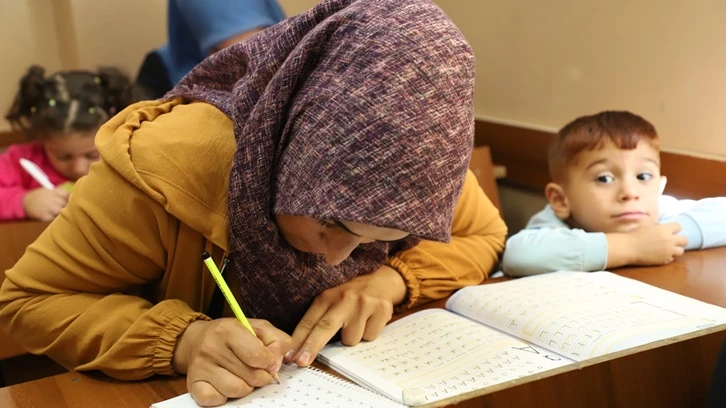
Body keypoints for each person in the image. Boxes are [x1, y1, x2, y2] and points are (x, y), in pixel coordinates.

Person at [0, 0, 507, 406]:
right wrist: (182, 341)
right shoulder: (160, 169)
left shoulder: (416, 166)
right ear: (286, 149)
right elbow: (29, 301)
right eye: (332, 223)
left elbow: (483, 234)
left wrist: (390, 281)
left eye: (380, 240)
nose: (337, 259)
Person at [502, 110, 726, 277]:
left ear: (659, 187)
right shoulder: (553, 224)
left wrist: (663, 239)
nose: (630, 192)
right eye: (604, 179)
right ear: (560, 200)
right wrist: (633, 246)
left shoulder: (655, 210)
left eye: (643, 177)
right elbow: (519, 255)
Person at [0, 65, 136, 221]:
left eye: (92, 155)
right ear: (42, 140)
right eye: (63, 156)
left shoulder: (128, 156)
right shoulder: (22, 160)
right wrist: (23, 202)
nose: (78, 168)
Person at [136, 0, 286, 99]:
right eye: (221, 54)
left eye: (261, 47)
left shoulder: (293, 58)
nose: (248, 72)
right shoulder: (157, 78)